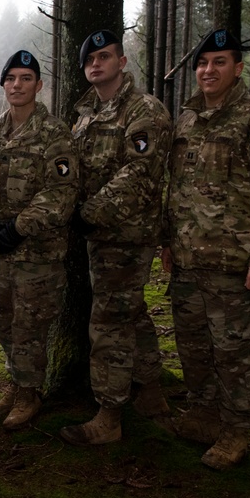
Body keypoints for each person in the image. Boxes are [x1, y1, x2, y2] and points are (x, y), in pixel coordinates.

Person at [162, 28, 250, 469]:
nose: (208, 71)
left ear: (238, 68)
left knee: (233, 354)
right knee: (193, 347)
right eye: (202, 64)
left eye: (219, 62)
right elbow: (176, 188)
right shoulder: (186, 120)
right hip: (187, 262)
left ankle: (237, 430)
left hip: (235, 265)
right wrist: (168, 240)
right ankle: (203, 414)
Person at [59, 29, 173, 447]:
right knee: (131, 312)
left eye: (105, 56)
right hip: (98, 235)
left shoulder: (144, 110)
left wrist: (88, 214)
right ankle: (153, 391)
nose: (96, 63)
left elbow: (139, 175)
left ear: (122, 62)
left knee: (108, 320)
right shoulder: (86, 113)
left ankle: (109, 415)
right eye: (90, 59)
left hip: (126, 234)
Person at [0, 50, 77, 429]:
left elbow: (61, 192)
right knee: (4, 320)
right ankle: (16, 383)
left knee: (30, 325)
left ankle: (29, 393)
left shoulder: (54, 133)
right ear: (3, 84)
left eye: (25, 78)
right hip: (5, 252)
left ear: (39, 84)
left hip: (39, 251)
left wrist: (17, 227)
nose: (16, 85)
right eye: (10, 79)